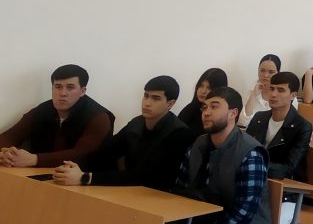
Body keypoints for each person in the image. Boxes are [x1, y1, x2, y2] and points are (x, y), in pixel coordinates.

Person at [169, 86, 271, 224]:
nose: (206, 112)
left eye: (214, 106)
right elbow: (178, 192)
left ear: (233, 113)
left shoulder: (250, 152)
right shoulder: (198, 144)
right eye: (204, 107)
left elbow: (243, 212)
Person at [52, 75, 191, 190]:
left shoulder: (180, 133)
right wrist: (72, 167)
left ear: (170, 104)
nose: (147, 103)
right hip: (132, 191)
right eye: (146, 96)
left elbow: (146, 176)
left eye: (156, 98)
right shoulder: (137, 123)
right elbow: (105, 153)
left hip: (161, 197)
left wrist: (85, 178)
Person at [0, 64, 114, 168]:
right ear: (52, 88)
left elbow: (82, 155)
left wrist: (35, 159)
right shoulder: (42, 110)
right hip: (41, 174)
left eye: (70, 87)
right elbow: (8, 137)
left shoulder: (99, 117)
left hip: (87, 179)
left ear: (83, 91)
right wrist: (6, 154)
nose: (63, 93)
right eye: (58, 87)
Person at [245, 72, 312, 180]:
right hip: (255, 175)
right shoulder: (259, 117)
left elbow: (288, 168)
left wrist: (254, 164)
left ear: (293, 95)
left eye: (280, 90)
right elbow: (243, 149)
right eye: (271, 89)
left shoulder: (302, 127)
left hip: (284, 184)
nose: (273, 94)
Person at [240, 54, 292, 128]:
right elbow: (242, 123)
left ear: (278, 72)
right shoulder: (251, 90)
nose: (266, 75)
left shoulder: (286, 93)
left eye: (271, 72)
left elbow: (289, 123)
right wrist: (253, 95)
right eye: (262, 71)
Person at [178, 68, 225, 135]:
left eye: (209, 88)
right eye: (201, 85)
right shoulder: (189, 110)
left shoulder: (222, 116)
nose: (203, 91)